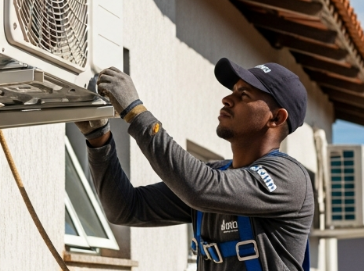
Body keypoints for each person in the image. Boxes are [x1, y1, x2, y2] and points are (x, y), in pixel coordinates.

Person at [76, 58, 315, 270]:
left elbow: (201, 189)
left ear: (277, 118)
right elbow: (125, 209)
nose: (227, 98)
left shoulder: (289, 178)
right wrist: (99, 140)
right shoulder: (215, 174)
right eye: (233, 91)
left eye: (244, 95)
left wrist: (136, 113)